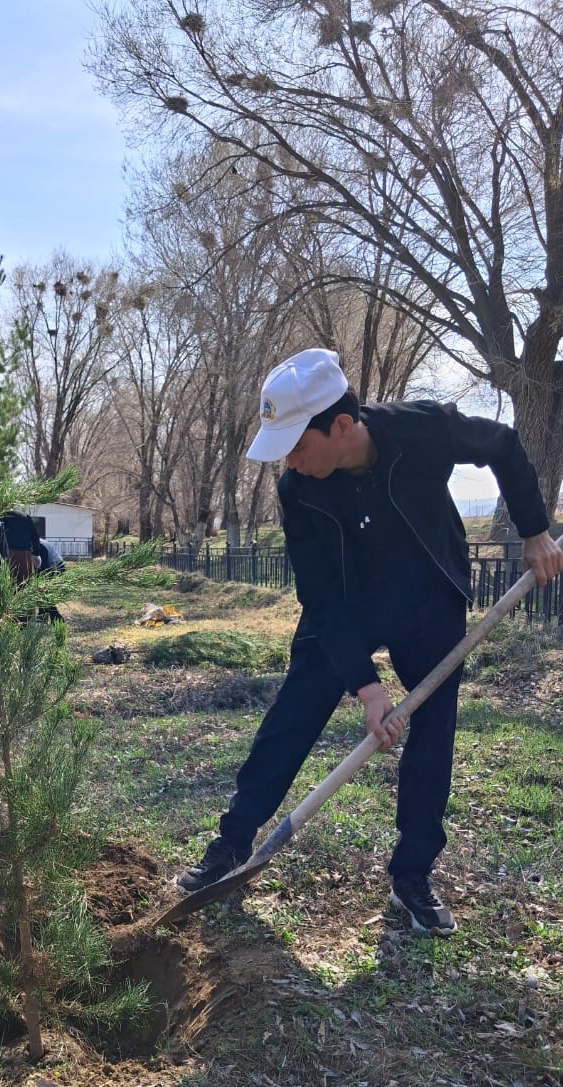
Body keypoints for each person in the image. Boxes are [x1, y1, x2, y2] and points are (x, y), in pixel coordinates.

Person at [177, 348, 563, 937]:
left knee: (433, 730)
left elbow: (503, 445)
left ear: (340, 425)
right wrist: (367, 687)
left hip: (428, 595)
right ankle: (230, 845)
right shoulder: (297, 489)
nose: (291, 463)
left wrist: (535, 531)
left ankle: (412, 874)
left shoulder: (424, 428)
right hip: (346, 609)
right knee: (293, 714)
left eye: (297, 446)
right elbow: (321, 597)